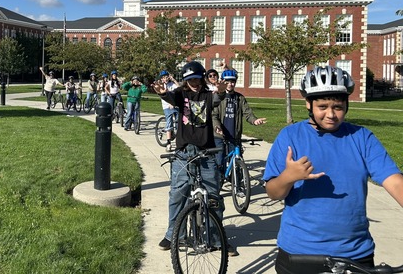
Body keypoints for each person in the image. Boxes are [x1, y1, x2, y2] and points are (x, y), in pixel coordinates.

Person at [263, 65, 403, 274]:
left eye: (337, 107)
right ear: (308, 104)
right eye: (323, 106)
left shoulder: (361, 137)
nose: (331, 114)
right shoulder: (290, 136)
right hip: (301, 253)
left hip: (355, 253)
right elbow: (273, 193)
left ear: (346, 105)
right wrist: (288, 177)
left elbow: (394, 181)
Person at [152, 61, 238, 255]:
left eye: (198, 79)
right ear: (185, 81)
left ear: (203, 78)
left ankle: (217, 238)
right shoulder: (181, 95)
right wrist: (162, 93)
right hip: (184, 153)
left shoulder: (207, 96)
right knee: (177, 195)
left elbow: (218, 98)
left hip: (206, 153)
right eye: (190, 80)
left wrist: (223, 91)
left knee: (213, 197)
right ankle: (174, 235)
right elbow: (171, 98)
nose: (195, 83)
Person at [213, 69, 266, 166]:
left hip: (234, 135)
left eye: (233, 82)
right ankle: (219, 178)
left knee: (237, 161)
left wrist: (254, 120)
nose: (230, 84)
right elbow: (214, 115)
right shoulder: (218, 97)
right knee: (220, 161)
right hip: (219, 135)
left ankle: (239, 179)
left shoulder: (240, 98)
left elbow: (247, 113)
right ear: (223, 82)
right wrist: (217, 126)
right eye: (227, 82)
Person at [159, 70, 179, 151]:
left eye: (166, 77)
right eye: (163, 77)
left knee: (178, 122)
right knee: (169, 123)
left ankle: (178, 142)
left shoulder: (172, 84)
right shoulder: (161, 85)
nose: (165, 78)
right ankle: (168, 143)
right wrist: (170, 102)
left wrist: (174, 80)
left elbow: (179, 88)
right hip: (167, 106)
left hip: (175, 105)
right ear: (161, 79)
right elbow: (163, 95)